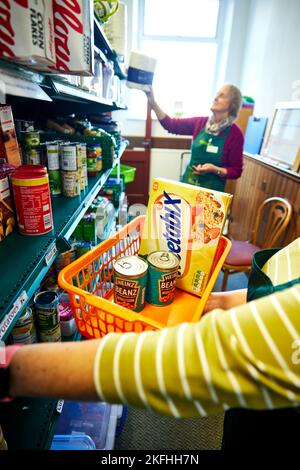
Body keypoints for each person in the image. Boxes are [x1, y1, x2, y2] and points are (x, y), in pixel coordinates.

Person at [1, 238, 300, 448]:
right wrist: (212, 303)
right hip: (254, 400)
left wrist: (13, 368)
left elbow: (189, 362)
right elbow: (274, 296)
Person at [145, 84, 244, 192]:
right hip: (188, 185)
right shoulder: (200, 123)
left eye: (222, 95)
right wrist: (153, 103)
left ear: (232, 104)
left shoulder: (235, 134)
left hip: (211, 194)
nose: (215, 98)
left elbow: (236, 170)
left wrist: (215, 169)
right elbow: (171, 125)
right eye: (216, 94)